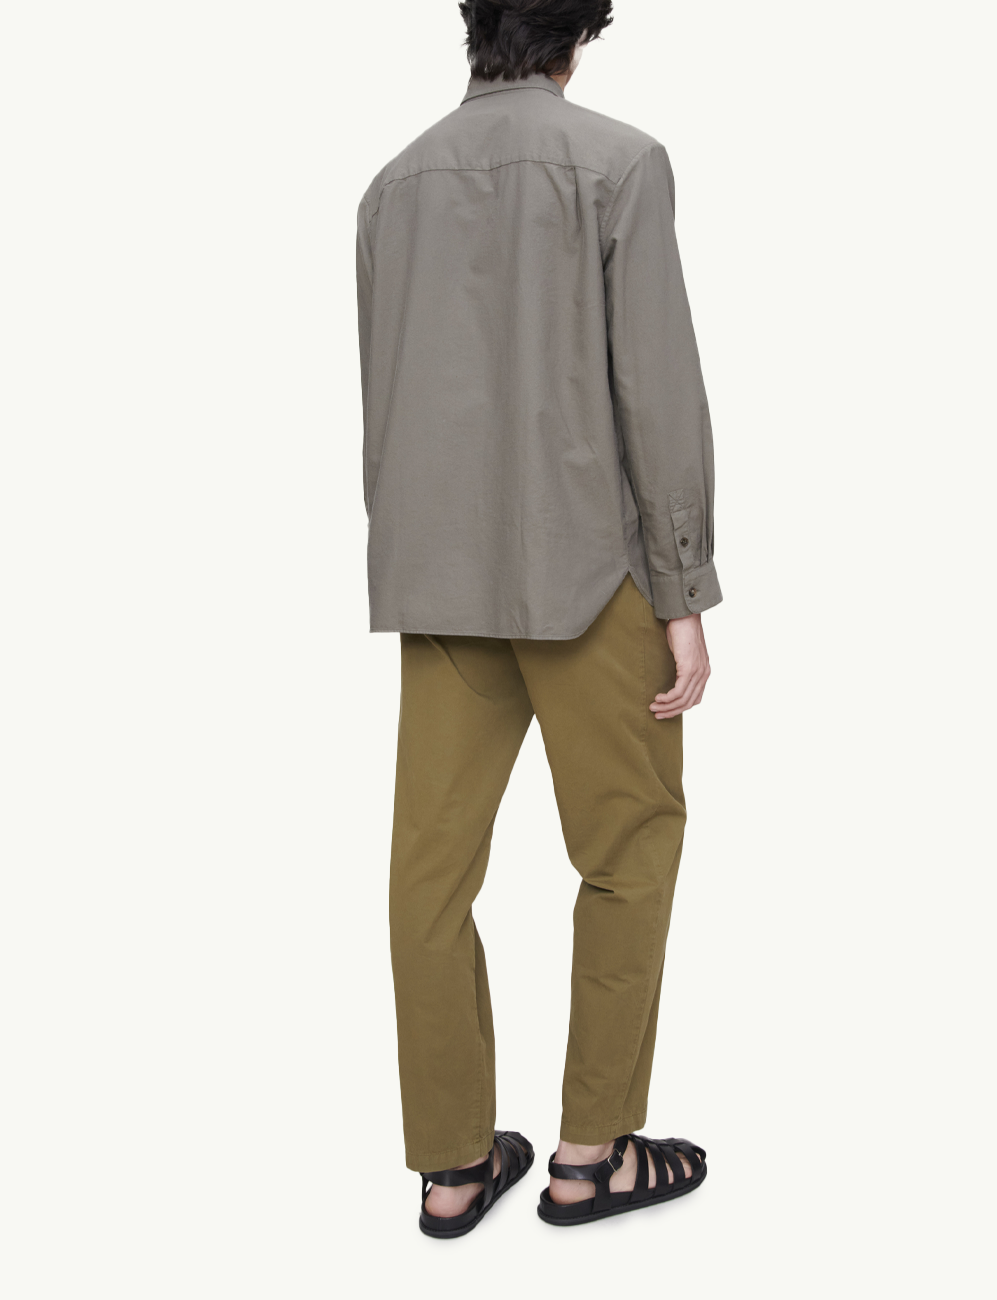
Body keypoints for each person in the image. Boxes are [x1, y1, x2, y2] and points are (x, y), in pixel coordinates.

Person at [356, 0, 722, 1236]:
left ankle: (453, 1166)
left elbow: (385, 398)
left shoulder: (392, 187)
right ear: (581, 33)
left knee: (427, 874)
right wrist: (682, 589)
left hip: (439, 582)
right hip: (588, 574)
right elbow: (656, 392)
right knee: (629, 848)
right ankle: (589, 1155)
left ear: (474, 25)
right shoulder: (620, 164)